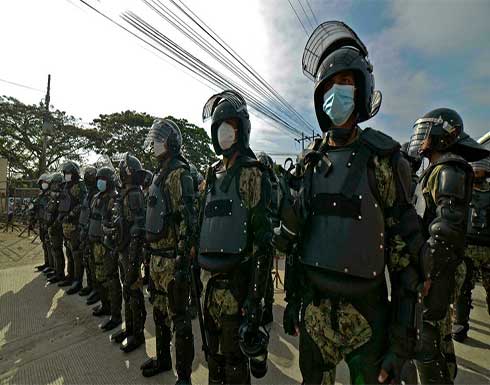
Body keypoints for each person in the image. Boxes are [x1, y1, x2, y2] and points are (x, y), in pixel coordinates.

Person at [274, 21, 431, 384]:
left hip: (368, 314)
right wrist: (294, 302)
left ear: (362, 90)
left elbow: (408, 259)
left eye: (344, 83)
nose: (335, 93)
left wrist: (401, 343)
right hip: (315, 309)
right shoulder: (309, 161)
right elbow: (297, 243)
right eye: (328, 86)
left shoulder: (384, 160)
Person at [409, 108, 490, 383]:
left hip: (439, 270)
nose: (421, 139)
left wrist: (429, 274)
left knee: (427, 341)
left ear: (443, 134)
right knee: (436, 337)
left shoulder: (450, 169)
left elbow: (446, 229)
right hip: (437, 269)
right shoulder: (437, 169)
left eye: (426, 132)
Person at [198, 90, 273, 384]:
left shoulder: (253, 174)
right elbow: (202, 226)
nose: (224, 131)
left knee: (234, 361)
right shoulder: (210, 176)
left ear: (242, 130)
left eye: (230, 124)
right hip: (208, 286)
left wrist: (255, 301)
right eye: (219, 126)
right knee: (212, 357)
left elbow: (262, 243)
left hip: (237, 288)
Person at [140, 118, 195, 385]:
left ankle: (184, 377)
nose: (155, 145)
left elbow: (188, 222)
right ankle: (163, 359)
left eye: (159, 139)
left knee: (180, 320)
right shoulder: (160, 175)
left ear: (171, 143)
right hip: (156, 258)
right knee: (159, 312)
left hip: (173, 260)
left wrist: (183, 262)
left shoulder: (179, 175)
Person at [109, 153, 148, 353]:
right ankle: (130, 328)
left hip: (131, 252)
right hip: (124, 249)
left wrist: (133, 260)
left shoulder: (134, 194)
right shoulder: (125, 193)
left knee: (134, 293)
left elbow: (137, 228)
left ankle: (138, 334)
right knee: (127, 291)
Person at [452, 156, 490, 341]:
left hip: (487, 249)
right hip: (466, 248)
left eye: (479, 169)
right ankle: (460, 325)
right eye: (474, 169)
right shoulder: (462, 191)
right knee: (463, 289)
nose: (476, 172)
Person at [88, 166, 122, 331]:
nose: (100, 181)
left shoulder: (114, 199)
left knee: (111, 279)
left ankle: (116, 315)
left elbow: (114, 224)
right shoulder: (96, 197)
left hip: (107, 246)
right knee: (99, 276)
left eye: (103, 179)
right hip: (95, 243)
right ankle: (105, 305)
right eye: (98, 178)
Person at [57, 161, 87, 294]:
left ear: (74, 174)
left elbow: (83, 203)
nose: (67, 175)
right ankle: (70, 275)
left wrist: (72, 213)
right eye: (65, 173)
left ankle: (77, 280)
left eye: (69, 173)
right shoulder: (65, 186)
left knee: (76, 254)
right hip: (65, 224)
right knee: (68, 251)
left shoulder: (80, 186)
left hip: (74, 224)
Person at [78, 166, 99, 304]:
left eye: (90, 176)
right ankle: (91, 286)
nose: (87, 178)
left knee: (94, 263)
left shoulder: (97, 193)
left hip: (93, 232)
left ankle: (97, 290)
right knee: (87, 261)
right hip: (85, 230)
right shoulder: (88, 192)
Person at [30, 173, 54, 273]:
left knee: (50, 245)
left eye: (45, 182)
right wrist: (33, 219)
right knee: (44, 244)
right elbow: (36, 208)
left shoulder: (51, 195)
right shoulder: (41, 195)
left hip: (49, 223)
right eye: (42, 182)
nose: (44, 184)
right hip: (41, 222)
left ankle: (52, 266)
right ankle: (47, 263)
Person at [45, 173, 66, 284]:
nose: (54, 187)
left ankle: (60, 274)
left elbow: (60, 214)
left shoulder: (62, 198)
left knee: (57, 250)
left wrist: (55, 225)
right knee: (54, 250)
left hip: (56, 228)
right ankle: (56, 271)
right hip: (51, 226)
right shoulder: (53, 198)